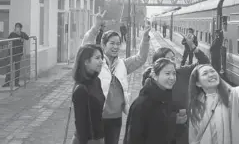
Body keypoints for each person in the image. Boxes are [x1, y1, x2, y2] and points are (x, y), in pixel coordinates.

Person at [82, 10, 151, 144]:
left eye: (118, 43)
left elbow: (141, 58)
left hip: (115, 118)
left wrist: (145, 37)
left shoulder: (123, 64)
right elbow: (85, 47)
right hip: (96, 116)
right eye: (112, 43)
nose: (115, 46)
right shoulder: (96, 63)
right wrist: (96, 27)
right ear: (103, 45)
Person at [188, 44, 239, 144]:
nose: (211, 74)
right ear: (198, 83)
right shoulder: (195, 107)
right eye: (205, 73)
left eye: (212, 71)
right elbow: (193, 138)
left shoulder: (231, 96)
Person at [142, 34, 210, 144]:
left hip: (183, 131)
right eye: (167, 59)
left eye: (173, 59)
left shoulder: (182, 73)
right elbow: (149, 112)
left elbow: (205, 63)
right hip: (161, 132)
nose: (171, 62)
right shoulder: (151, 81)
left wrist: (193, 47)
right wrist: (173, 119)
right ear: (157, 63)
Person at [124, 58, 177, 144]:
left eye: (174, 73)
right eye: (167, 73)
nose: (172, 77)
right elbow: (133, 138)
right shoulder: (142, 104)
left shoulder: (166, 97)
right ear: (155, 76)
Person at [71, 44, 105, 144]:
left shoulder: (96, 81)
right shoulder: (81, 89)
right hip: (88, 141)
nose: (101, 61)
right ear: (86, 62)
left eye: (101, 58)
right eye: (97, 58)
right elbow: (81, 125)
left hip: (99, 137)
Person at [3, 23, 29, 87]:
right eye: (16, 27)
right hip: (11, 53)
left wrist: (21, 36)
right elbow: (8, 40)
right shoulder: (12, 34)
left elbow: (27, 38)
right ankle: (7, 82)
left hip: (18, 54)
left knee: (17, 69)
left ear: (20, 28)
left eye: (18, 27)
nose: (17, 28)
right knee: (8, 68)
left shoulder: (22, 33)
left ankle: (16, 83)